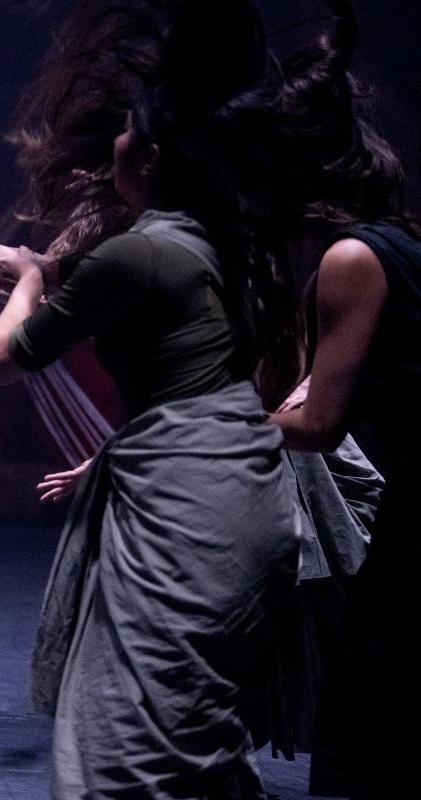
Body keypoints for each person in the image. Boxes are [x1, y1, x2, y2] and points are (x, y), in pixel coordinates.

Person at [0, 1, 305, 795]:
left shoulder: (135, 255)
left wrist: (26, 280)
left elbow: (0, 355)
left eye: (125, 135)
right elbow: (38, 262)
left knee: (125, 746)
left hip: (191, 501)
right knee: (195, 736)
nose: (113, 146)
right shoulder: (195, 241)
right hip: (239, 484)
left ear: (150, 157)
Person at [266, 3, 420, 793]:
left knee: (378, 720)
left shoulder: (353, 258)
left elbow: (321, 425)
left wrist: (226, 424)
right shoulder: (403, 240)